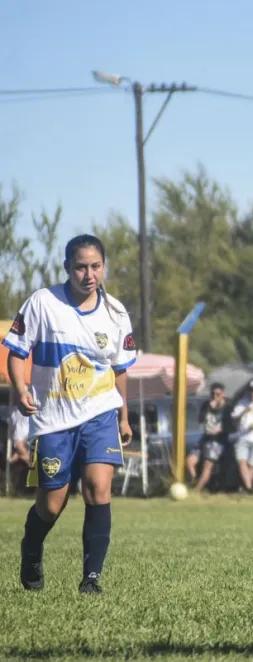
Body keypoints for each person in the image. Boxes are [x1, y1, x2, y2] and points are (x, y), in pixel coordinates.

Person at [5, 234, 137, 594]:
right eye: (81, 266)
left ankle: (91, 579)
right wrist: (20, 391)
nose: (89, 274)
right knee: (51, 504)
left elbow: (120, 370)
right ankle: (32, 546)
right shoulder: (43, 303)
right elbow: (16, 353)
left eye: (95, 266)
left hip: (99, 414)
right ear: (67, 268)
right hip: (54, 420)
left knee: (99, 488)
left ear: (103, 267)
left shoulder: (116, 313)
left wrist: (123, 417)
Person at [192, 382, 228, 492]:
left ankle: (197, 489)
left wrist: (219, 430)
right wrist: (209, 408)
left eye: (218, 394)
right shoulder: (206, 405)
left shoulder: (227, 407)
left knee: (208, 464)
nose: (215, 396)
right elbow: (201, 420)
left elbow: (230, 425)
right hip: (206, 438)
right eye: (213, 394)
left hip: (218, 440)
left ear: (223, 394)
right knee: (190, 461)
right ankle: (198, 481)